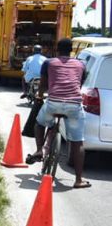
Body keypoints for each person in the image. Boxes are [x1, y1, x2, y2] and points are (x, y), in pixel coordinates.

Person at [26, 38, 90, 188]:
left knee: (39, 123)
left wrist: (40, 96)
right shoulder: (81, 64)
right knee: (77, 142)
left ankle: (39, 150)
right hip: (74, 105)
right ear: (72, 50)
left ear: (57, 49)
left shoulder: (49, 63)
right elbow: (79, 83)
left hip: (53, 103)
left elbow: (43, 83)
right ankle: (79, 180)